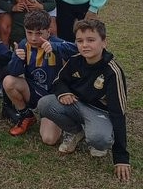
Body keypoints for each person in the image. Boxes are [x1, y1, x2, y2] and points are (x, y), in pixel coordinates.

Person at [38, 19, 131, 182]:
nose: (84, 45)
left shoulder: (112, 72)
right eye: (80, 41)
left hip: (101, 112)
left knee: (99, 140)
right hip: (77, 105)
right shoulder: (75, 60)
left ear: (104, 42)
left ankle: (97, 133)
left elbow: (118, 113)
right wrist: (64, 93)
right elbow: (59, 81)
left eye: (91, 40)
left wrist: (121, 158)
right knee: (45, 104)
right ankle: (75, 131)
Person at [2, 10, 77, 136]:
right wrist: (16, 58)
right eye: (29, 33)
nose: (33, 38)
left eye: (39, 33)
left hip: (54, 96)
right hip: (34, 91)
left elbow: (77, 50)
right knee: (8, 81)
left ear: (48, 30)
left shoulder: (56, 43)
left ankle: (65, 120)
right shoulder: (23, 44)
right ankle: (26, 115)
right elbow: (14, 72)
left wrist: (55, 47)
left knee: (49, 139)